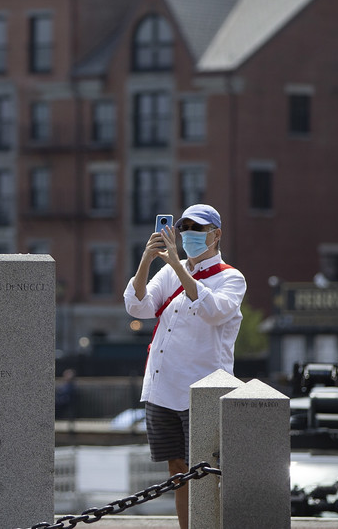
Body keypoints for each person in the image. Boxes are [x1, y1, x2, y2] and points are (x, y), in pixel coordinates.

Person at [124, 203, 246, 529]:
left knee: (206, 472)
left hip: (202, 391)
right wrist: (146, 260)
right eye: (184, 227)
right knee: (177, 471)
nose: (188, 234)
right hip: (163, 389)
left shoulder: (231, 278)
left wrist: (179, 267)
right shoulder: (168, 271)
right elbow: (138, 306)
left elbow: (215, 312)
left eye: (197, 228)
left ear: (216, 234)